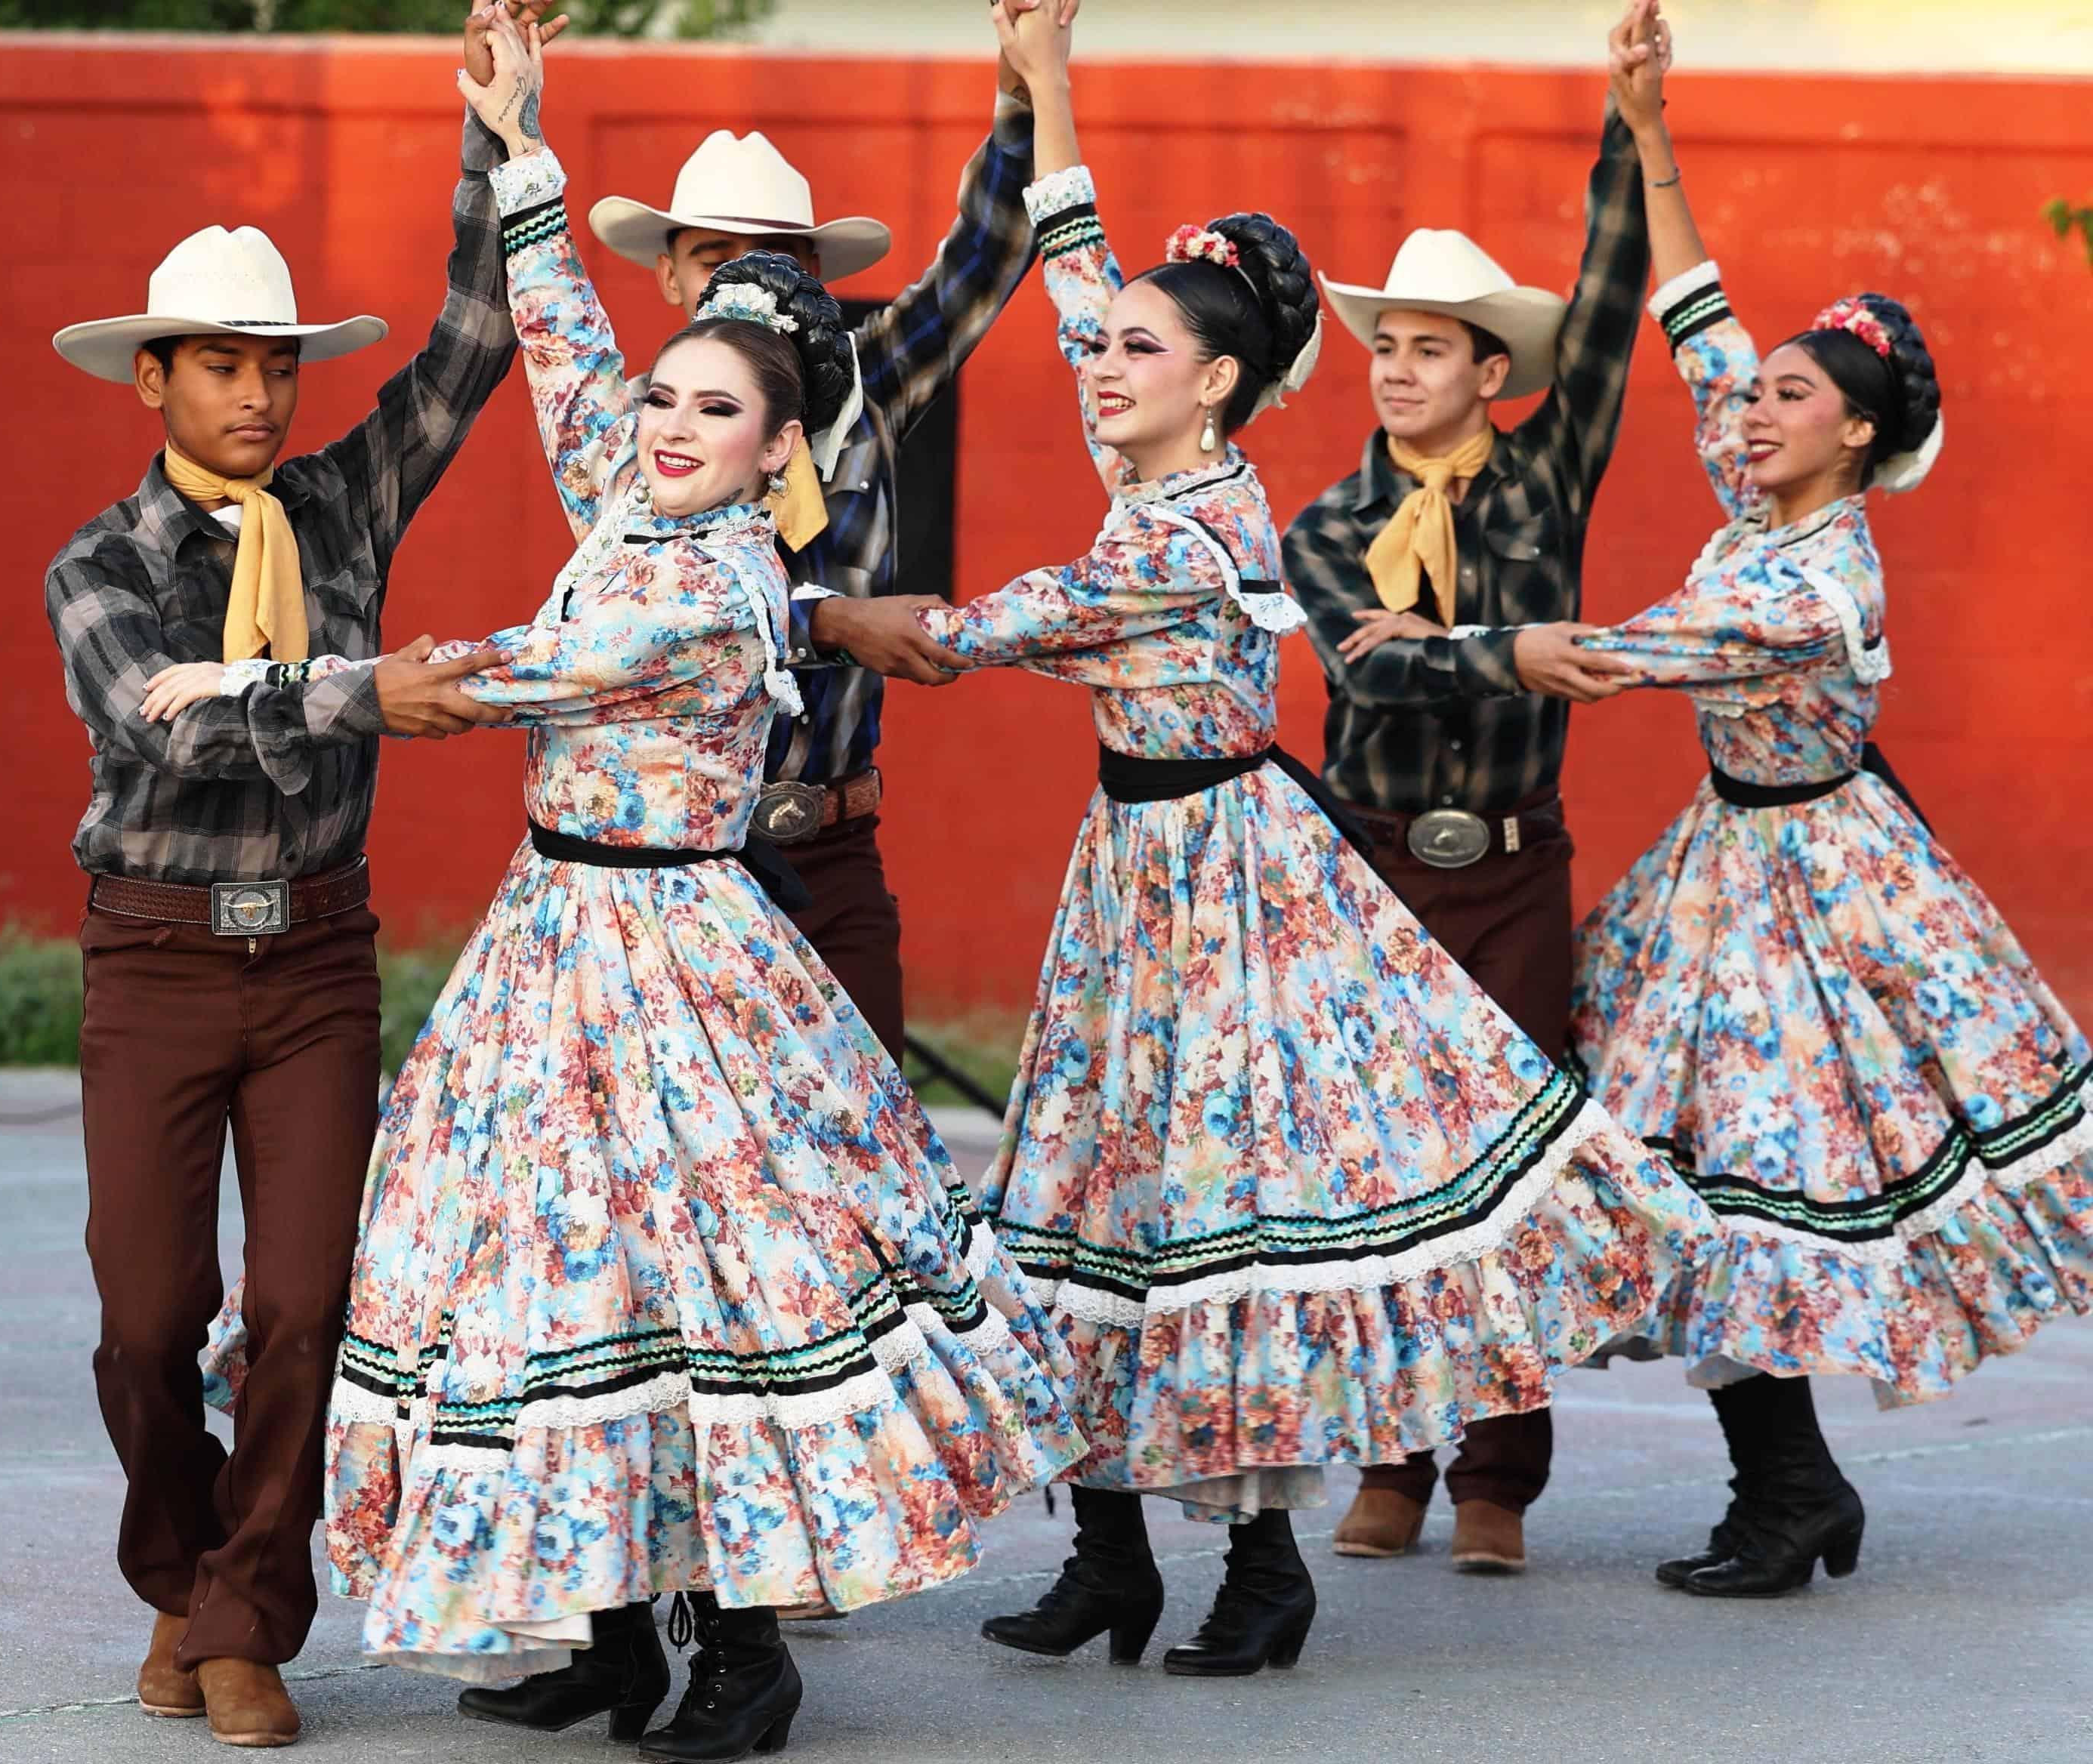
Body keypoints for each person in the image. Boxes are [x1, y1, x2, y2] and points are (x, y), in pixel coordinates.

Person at [827, 3, 1709, 1677]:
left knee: (1219, 1216)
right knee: (1085, 1192)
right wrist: (1051, 85)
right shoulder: (1152, 437)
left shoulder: (1194, 523)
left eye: (1138, 353)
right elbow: (1083, 269)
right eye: (1104, 349)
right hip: (1133, 872)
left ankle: (1262, 1558)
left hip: (1229, 885)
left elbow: (987, 627)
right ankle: (1106, 1554)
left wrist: (834, 607)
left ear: (1218, 384)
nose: (1099, 363)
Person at [320, 11, 1081, 1764]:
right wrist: (520, 140)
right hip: (548, 936)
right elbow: (562, 338)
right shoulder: (635, 459)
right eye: (674, 372)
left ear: (779, 430)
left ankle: (740, 1645)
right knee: (547, 1273)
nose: (671, 408)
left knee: (717, 1272)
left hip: (688, 935)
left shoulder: (736, 562)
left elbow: (523, 674)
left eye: (719, 392)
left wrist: (324, 688)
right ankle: (600, 1621)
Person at [1386, 5, 2091, 1597]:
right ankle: (1793, 1484)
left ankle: (1789, 1491)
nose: (1754, 409)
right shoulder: (1762, 504)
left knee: (1744, 1192)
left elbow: (1637, 656)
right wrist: (1645, 128)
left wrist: (1460, 645)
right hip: (1730, 869)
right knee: (1672, 1176)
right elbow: (1699, 325)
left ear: (1858, 433)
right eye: (1757, 395)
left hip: (1819, 901)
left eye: (1790, 398)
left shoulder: (1816, 576)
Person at [40, 6, 529, 1752]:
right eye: (222, 365)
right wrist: (355, 693)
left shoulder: (344, 505)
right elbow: (166, 724)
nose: (259, 395)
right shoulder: (95, 563)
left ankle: (246, 1614)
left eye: (278, 366)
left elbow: (473, 347)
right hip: (156, 962)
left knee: (310, 1305)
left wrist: (495, 137)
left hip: (319, 957)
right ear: (150, 378)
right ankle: (184, 1579)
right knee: (147, 1320)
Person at [1276, 2, 1657, 1577]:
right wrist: (1511, 648)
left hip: (1509, 863)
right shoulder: (1321, 520)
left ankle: (1496, 1478)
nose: (1397, 368)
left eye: (1430, 348)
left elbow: (1619, 300)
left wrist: (1629, 124)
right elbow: (1369, 675)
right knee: (1382, 1164)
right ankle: (1389, 1459)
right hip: (1371, 864)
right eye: (1385, 345)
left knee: (1512, 1166)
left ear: (1492, 370)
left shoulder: (1548, 472)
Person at [551, 1, 1079, 1061]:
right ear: (669, 278)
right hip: (682, 863)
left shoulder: (867, 389)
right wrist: (831, 620)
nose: (741, 285)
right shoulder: (635, 435)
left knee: (875, 1179)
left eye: (771, 259)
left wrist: (1026, 83)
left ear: (814, 282)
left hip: (833, 853)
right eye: (712, 260)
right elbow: (669, 619)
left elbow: (986, 253)